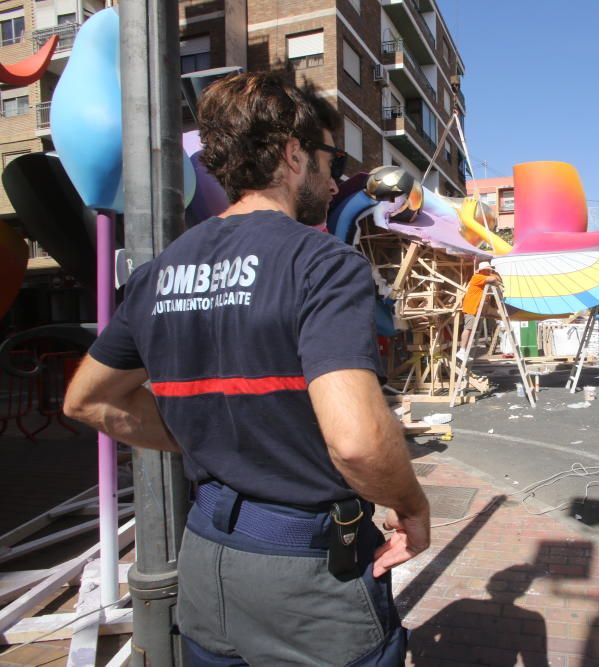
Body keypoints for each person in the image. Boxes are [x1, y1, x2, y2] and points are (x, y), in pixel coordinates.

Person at [63, 71, 429, 666]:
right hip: (307, 573)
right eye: (329, 160)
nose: (335, 179)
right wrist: (413, 508)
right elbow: (358, 442)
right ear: (292, 154)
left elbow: (89, 401)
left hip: (206, 560)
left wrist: (201, 432)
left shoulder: (159, 273)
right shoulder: (321, 263)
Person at [457, 260, 502, 361]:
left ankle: (464, 352)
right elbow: (493, 279)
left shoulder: (482, 278)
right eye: (488, 270)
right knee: (468, 329)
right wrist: (496, 277)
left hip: (478, 308)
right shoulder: (477, 277)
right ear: (484, 270)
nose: (490, 272)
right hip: (471, 307)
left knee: (470, 329)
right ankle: (462, 350)